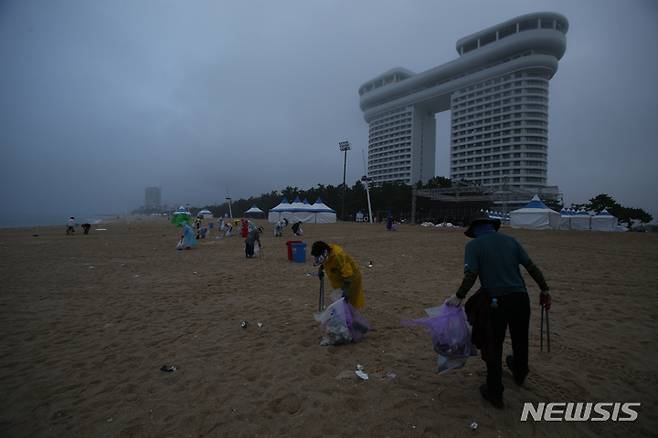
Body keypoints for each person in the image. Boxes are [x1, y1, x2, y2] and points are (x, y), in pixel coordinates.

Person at [445, 216, 551, 409]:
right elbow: (531, 266)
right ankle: (520, 372)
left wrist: (459, 296)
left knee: (493, 343)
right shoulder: (511, 241)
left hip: (496, 302)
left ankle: (494, 392)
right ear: (492, 228)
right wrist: (544, 289)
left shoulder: (474, 246)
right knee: (520, 338)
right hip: (521, 298)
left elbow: (471, 274)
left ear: (476, 231)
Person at [310, 241, 365, 309]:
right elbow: (326, 262)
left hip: (351, 281)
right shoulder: (328, 254)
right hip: (340, 281)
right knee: (341, 304)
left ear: (324, 253)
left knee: (349, 304)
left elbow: (348, 275)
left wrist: (346, 291)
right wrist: (321, 268)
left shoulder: (338, 256)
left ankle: (349, 318)